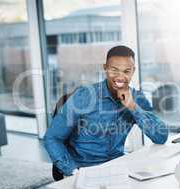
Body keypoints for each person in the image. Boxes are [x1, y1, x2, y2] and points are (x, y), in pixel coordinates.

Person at [43, 45, 169, 179]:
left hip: (118, 167)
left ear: (133, 71)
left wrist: (133, 107)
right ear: (105, 68)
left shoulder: (137, 98)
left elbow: (161, 137)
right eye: (114, 70)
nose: (120, 77)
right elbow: (52, 138)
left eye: (127, 71)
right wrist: (74, 172)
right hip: (83, 170)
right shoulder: (84, 96)